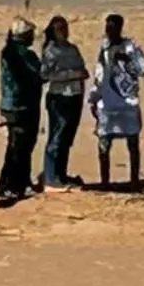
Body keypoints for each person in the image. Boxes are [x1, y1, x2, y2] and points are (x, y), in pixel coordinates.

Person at [89, 12, 144, 190]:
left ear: (120, 28)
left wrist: (127, 62)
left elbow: (143, 69)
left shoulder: (131, 47)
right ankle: (105, 181)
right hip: (107, 104)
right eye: (107, 27)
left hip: (128, 103)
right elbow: (99, 75)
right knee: (104, 143)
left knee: (132, 143)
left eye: (112, 27)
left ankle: (134, 180)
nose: (108, 31)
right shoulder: (104, 49)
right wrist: (94, 97)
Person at [0, 17, 43, 205]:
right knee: (21, 146)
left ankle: (15, 182)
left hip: (10, 105)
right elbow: (38, 76)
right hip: (24, 105)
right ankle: (13, 184)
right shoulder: (25, 55)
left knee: (15, 145)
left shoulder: (7, 52)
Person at [38, 15, 89, 190]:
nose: (64, 32)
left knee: (67, 138)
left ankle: (61, 174)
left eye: (66, 28)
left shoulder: (72, 49)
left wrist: (78, 74)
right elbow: (45, 75)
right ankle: (50, 178)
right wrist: (70, 74)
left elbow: (84, 70)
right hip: (59, 97)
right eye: (60, 29)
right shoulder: (51, 51)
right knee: (57, 137)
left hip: (75, 95)